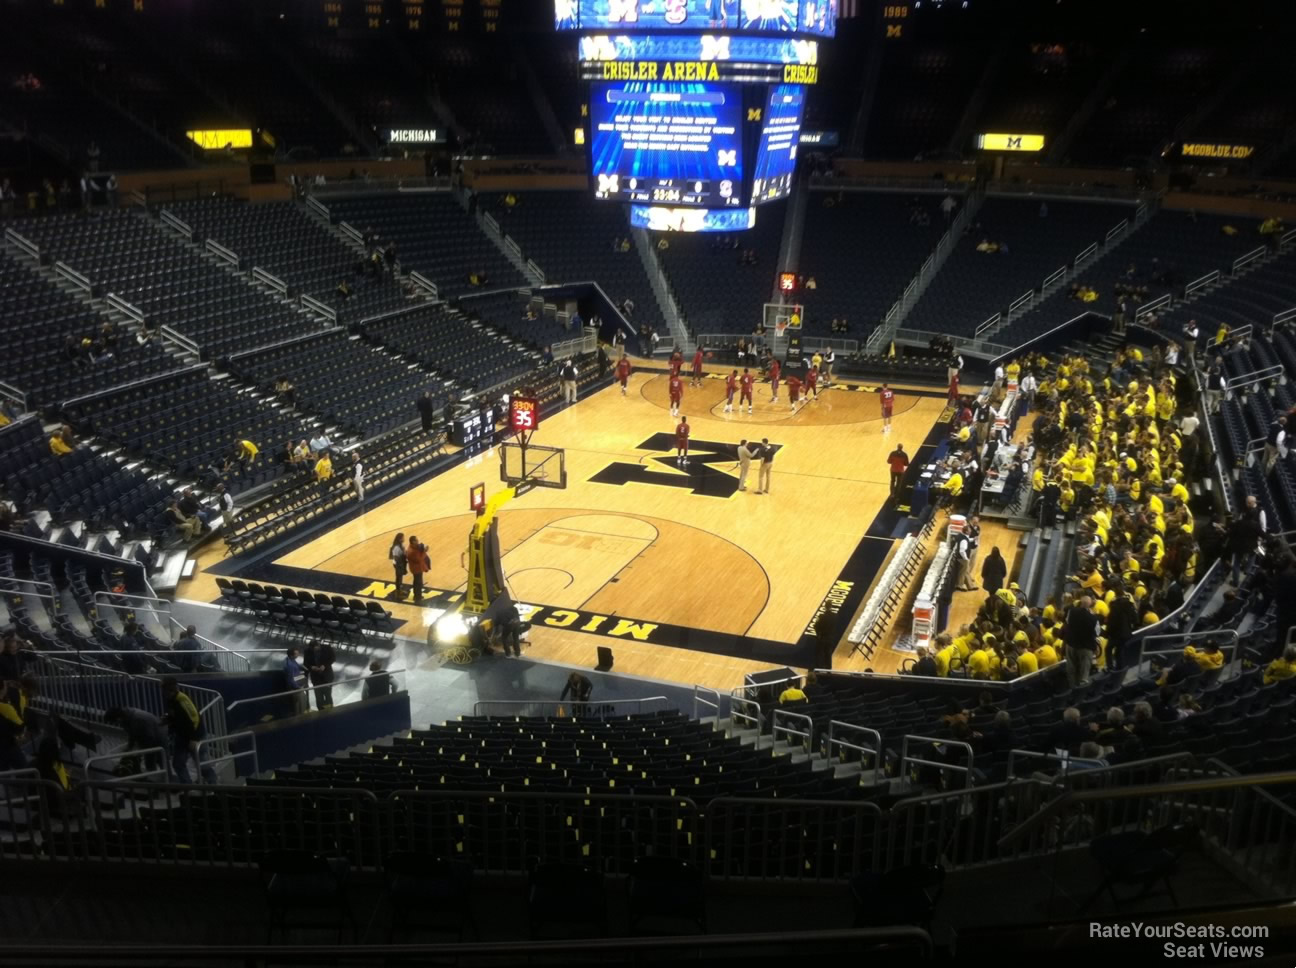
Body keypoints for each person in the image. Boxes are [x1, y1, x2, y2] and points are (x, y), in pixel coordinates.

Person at [162, 678, 214, 783]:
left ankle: (213, 783)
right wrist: (168, 720)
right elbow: (177, 717)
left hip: (195, 736)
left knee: (202, 763)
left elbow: (194, 719)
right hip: (182, 736)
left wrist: (194, 738)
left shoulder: (182, 700)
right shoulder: (171, 701)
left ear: (171, 689)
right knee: (178, 763)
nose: (164, 693)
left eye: (165, 690)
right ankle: (188, 786)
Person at [104, 706, 167, 774]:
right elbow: (132, 734)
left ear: (118, 718)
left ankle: (167, 777)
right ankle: (153, 775)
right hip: (147, 736)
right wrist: (130, 746)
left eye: (115, 722)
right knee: (149, 762)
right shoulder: (124, 719)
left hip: (158, 735)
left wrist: (140, 751)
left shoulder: (138, 718)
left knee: (162, 761)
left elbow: (149, 738)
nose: (116, 724)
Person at [1064, 596, 1099, 686]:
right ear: (1090, 605)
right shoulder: (1093, 618)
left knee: (1071, 669)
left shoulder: (1072, 611)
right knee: (1084, 672)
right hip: (1085, 647)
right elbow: (1097, 632)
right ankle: (1081, 690)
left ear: (1080, 602)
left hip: (1071, 644)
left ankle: (1072, 687)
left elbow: (1067, 622)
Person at [303, 639, 336, 710]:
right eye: (312, 649)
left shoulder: (327, 648)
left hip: (327, 677)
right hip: (316, 678)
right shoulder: (307, 651)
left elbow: (333, 658)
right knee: (318, 697)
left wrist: (325, 665)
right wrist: (311, 667)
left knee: (328, 695)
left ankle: (330, 711)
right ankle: (321, 711)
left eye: (315, 649)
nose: (313, 650)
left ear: (318, 645)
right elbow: (305, 663)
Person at [282, 649, 308, 715]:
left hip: (297, 684)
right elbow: (290, 679)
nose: (298, 655)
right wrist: (298, 687)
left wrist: (302, 667)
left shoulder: (291, 660)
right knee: (299, 704)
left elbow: (297, 666)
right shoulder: (289, 665)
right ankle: (299, 716)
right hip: (295, 688)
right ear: (291, 655)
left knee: (298, 703)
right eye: (296, 654)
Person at [408, 535, 430, 601]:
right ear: (413, 541)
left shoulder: (413, 547)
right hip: (416, 569)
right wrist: (424, 551)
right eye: (416, 540)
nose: (418, 541)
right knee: (418, 583)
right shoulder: (412, 551)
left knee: (416, 582)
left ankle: (417, 595)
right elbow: (419, 559)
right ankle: (417, 597)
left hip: (417, 568)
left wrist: (424, 549)